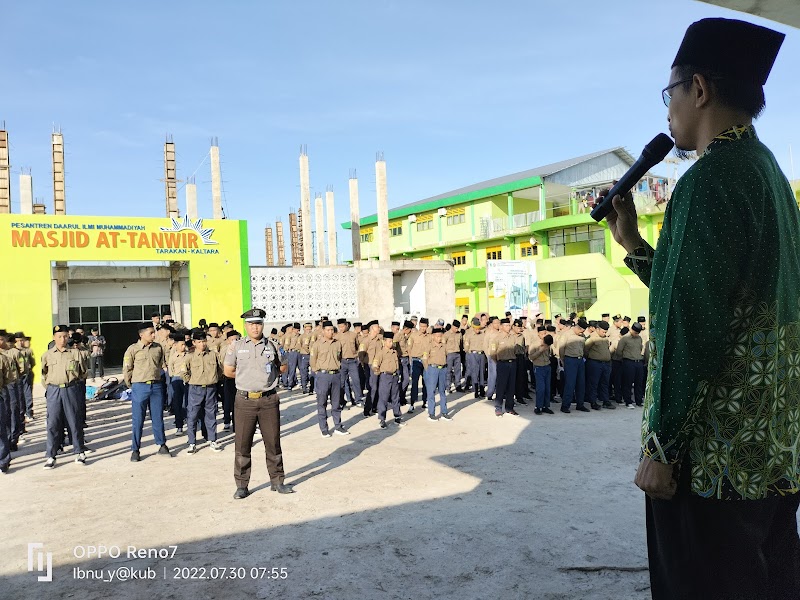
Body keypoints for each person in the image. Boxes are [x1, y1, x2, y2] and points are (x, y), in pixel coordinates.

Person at [605, 17, 800, 599]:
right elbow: (710, 295)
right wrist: (637, 247)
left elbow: (690, 321)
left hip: (712, 466)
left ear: (700, 89)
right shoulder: (768, 175)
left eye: (670, 93)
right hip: (772, 457)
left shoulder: (708, 179)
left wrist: (662, 447)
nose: (668, 110)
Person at [223, 308, 292, 499]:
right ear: (246, 326)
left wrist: (266, 378)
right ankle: (242, 485)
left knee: (273, 443)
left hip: (268, 399)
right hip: (245, 401)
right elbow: (228, 371)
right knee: (243, 445)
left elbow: (283, 367)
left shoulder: (273, 345)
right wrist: (247, 378)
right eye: (252, 324)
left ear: (263, 325)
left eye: (259, 323)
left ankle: (277, 481)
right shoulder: (236, 346)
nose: (255, 327)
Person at [123, 322, 170, 462]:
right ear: (141, 334)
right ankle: (135, 449)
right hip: (140, 387)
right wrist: (132, 385)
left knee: (158, 418)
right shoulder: (133, 349)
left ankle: (162, 445)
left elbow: (162, 364)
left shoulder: (158, 348)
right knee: (138, 419)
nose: (154, 335)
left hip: (156, 386)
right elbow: (127, 369)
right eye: (151, 333)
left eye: (154, 332)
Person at [41, 325, 86, 468]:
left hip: (70, 389)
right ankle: (51, 455)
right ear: (54, 337)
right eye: (59, 336)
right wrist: (49, 387)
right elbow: (44, 373)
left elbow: (83, 372)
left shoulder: (75, 353)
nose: (63, 339)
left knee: (74, 421)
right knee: (53, 423)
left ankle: (79, 452)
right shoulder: (47, 355)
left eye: (65, 336)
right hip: (54, 390)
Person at [183, 330, 223, 454]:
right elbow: (184, 372)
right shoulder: (190, 356)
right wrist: (192, 381)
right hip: (195, 388)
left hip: (210, 388)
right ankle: (192, 442)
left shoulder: (213, 355)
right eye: (199, 342)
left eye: (204, 341)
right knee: (192, 415)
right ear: (194, 343)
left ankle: (212, 440)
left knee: (211, 414)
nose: (202, 344)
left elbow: (220, 369)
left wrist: (215, 380)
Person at [310, 320, 348, 437]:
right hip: (323, 376)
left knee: (336, 403)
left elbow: (339, 357)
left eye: (332, 330)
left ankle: (337, 426)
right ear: (323, 331)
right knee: (322, 403)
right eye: (328, 330)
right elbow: (313, 361)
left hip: (336, 375)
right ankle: (324, 428)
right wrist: (318, 372)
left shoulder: (337, 343)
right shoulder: (317, 344)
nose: (330, 332)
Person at [372, 331, 403, 429]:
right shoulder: (381, 353)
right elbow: (375, 365)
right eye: (389, 341)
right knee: (383, 398)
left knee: (395, 398)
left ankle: (397, 417)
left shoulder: (394, 352)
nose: (391, 343)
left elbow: (397, 364)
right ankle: (382, 419)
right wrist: (378, 373)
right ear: (384, 342)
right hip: (385, 377)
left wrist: (398, 374)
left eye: (392, 341)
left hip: (394, 377)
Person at [488, 318, 518, 417]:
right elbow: (492, 353)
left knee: (511, 386)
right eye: (506, 325)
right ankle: (498, 407)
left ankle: (509, 407)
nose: (508, 327)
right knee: (501, 386)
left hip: (512, 363)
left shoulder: (513, 337)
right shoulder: (496, 338)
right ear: (501, 326)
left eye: (509, 325)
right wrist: (499, 362)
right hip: (502, 364)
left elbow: (516, 350)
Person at [422, 326, 451, 421]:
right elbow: (425, 359)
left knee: (442, 391)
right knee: (431, 392)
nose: (439, 338)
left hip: (442, 369)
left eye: (440, 336)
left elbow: (446, 356)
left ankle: (444, 412)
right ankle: (431, 413)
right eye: (437, 336)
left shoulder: (444, 346)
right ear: (433, 336)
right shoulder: (429, 346)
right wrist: (428, 370)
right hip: (432, 369)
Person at [558, 319, 588, 413]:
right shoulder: (567, 334)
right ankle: (565, 406)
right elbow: (561, 348)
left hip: (580, 360)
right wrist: (563, 360)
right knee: (570, 384)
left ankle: (580, 404)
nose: (581, 333)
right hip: (570, 360)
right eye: (581, 331)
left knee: (581, 383)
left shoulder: (582, 336)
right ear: (577, 327)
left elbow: (584, 348)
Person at [584, 321, 613, 410]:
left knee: (605, 383)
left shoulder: (605, 338)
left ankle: (605, 400)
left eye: (605, 332)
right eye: (603, 331)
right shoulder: (592, 338)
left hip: (606, 364)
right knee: (594, 383)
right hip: (595, 363)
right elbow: (585, 350)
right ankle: (593, 401)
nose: (604, 333)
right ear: (597, 329)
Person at [615, 324, 644, 408]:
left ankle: (639, 401)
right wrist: (624, 359)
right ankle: (628, 401)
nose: (636, 334)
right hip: (628, 362)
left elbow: (640, 349)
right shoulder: (624, 339)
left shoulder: (639, 338)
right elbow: (619, 351)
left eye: (637, 333)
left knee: (639, 382)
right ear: (631, 329)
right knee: (628, 382)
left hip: (639, 362)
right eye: (635, 332)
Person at [167, 333, 189, 435]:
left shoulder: (188, 355)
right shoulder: (173, 356)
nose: (183, 346)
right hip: (176, 380)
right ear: (176, 345)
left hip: (187, 380)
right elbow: (170, 369)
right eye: (181, 345)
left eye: (184, 344)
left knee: (187, 402)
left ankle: (189, 421)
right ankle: (179, 426)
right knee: (177, 403)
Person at [406, 317, 430, 412]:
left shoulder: (430, 337)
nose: (423, 328)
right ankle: (412, 403)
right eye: (421, 326)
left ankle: (425, 401)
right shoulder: (413, 336)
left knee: (426, 382)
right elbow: (409, 348)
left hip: (426, 362)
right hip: (416, 361)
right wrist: (411, 359)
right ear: (419, 325)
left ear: (427, 326)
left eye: (425, 326)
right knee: (414, 383)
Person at [529, 328, 554, 415]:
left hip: (547, 366)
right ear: (538, 334)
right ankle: (538, 407)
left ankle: (545, 406)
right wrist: (539, 351)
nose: (544, 335)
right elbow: (531, 357)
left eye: (545, 333)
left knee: (547, 388)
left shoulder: (548, 343)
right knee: (541, 388)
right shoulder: (535, 344)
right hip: (538, 367)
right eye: (542, 334)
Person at [337, 319, 360, 409]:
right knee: (342, 382)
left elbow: (357, 346)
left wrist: (356, 356)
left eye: (342, 326)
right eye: (339, 327)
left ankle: (358, 400)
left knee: (356, 381)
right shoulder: (337, 337)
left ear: (347, 325)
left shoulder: (353, 335)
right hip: (342, 362)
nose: (341, 328)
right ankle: (343, 401)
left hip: (352, 361)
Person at [463, 317, 486, 396]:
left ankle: (482, 389)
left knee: (482, 372)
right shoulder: (469, 334)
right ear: (473, 328)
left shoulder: (483, 334)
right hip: (473, 354)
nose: (477, 330)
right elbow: (466, 345)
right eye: (476, 329)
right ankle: (476, 390)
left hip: (481, 354)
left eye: (479, 329)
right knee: (474, 372)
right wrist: (468, 352)